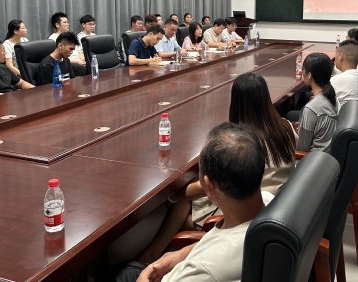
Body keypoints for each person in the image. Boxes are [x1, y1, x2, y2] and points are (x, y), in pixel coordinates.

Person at [138, 73, 297, 264]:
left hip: (248, 212)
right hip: (274, 204)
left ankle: (151, 256)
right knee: (190, 199)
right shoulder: (286, 126)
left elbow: (207, 187)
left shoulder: (246, 145)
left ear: (236, 102)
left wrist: (171, 195)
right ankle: (153, 255)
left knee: (183, 202)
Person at [135, 122, 271, 282]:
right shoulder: (268, 200)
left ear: (209, 186)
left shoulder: (204, 271)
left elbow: (209, 265)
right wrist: (181, 255)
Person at [296, 53, 338, 153]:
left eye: (303, 69)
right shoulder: (332, 96)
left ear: (309, 75)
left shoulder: (311, 109)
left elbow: (302, 148)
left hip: (312, 159)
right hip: (325, 157)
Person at [331, 40, 358, 110]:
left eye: (336, 54)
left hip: (339, 115)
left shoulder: (335, 81)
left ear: (341, 56)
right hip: (352, 114)